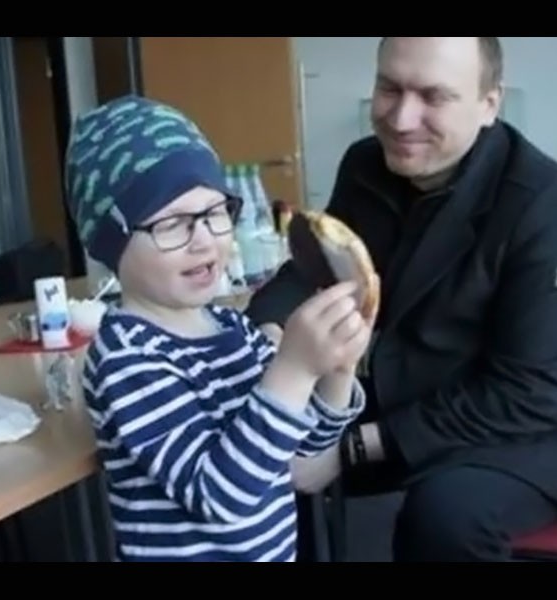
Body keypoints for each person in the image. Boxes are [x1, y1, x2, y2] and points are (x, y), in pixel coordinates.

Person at [245, 37, 557, 562]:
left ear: (489, 103)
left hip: (540, 425)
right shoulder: (368, 165)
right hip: (418, 383)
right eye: (389, 88)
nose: (402, 119)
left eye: (434, 96)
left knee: (445, 515)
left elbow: (530, 394)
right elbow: (312, 269)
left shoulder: (548, 207)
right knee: (257, 454)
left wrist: (349, 449)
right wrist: (270, 331)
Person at [63, 95, 373, 562]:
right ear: (112, 242)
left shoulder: (234, 328)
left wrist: (336, 370)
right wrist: (292, 368)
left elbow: (299, 451)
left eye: (214, 213)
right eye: (172, 224)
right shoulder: (127, 356)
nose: (205, 240)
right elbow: (222, 498)